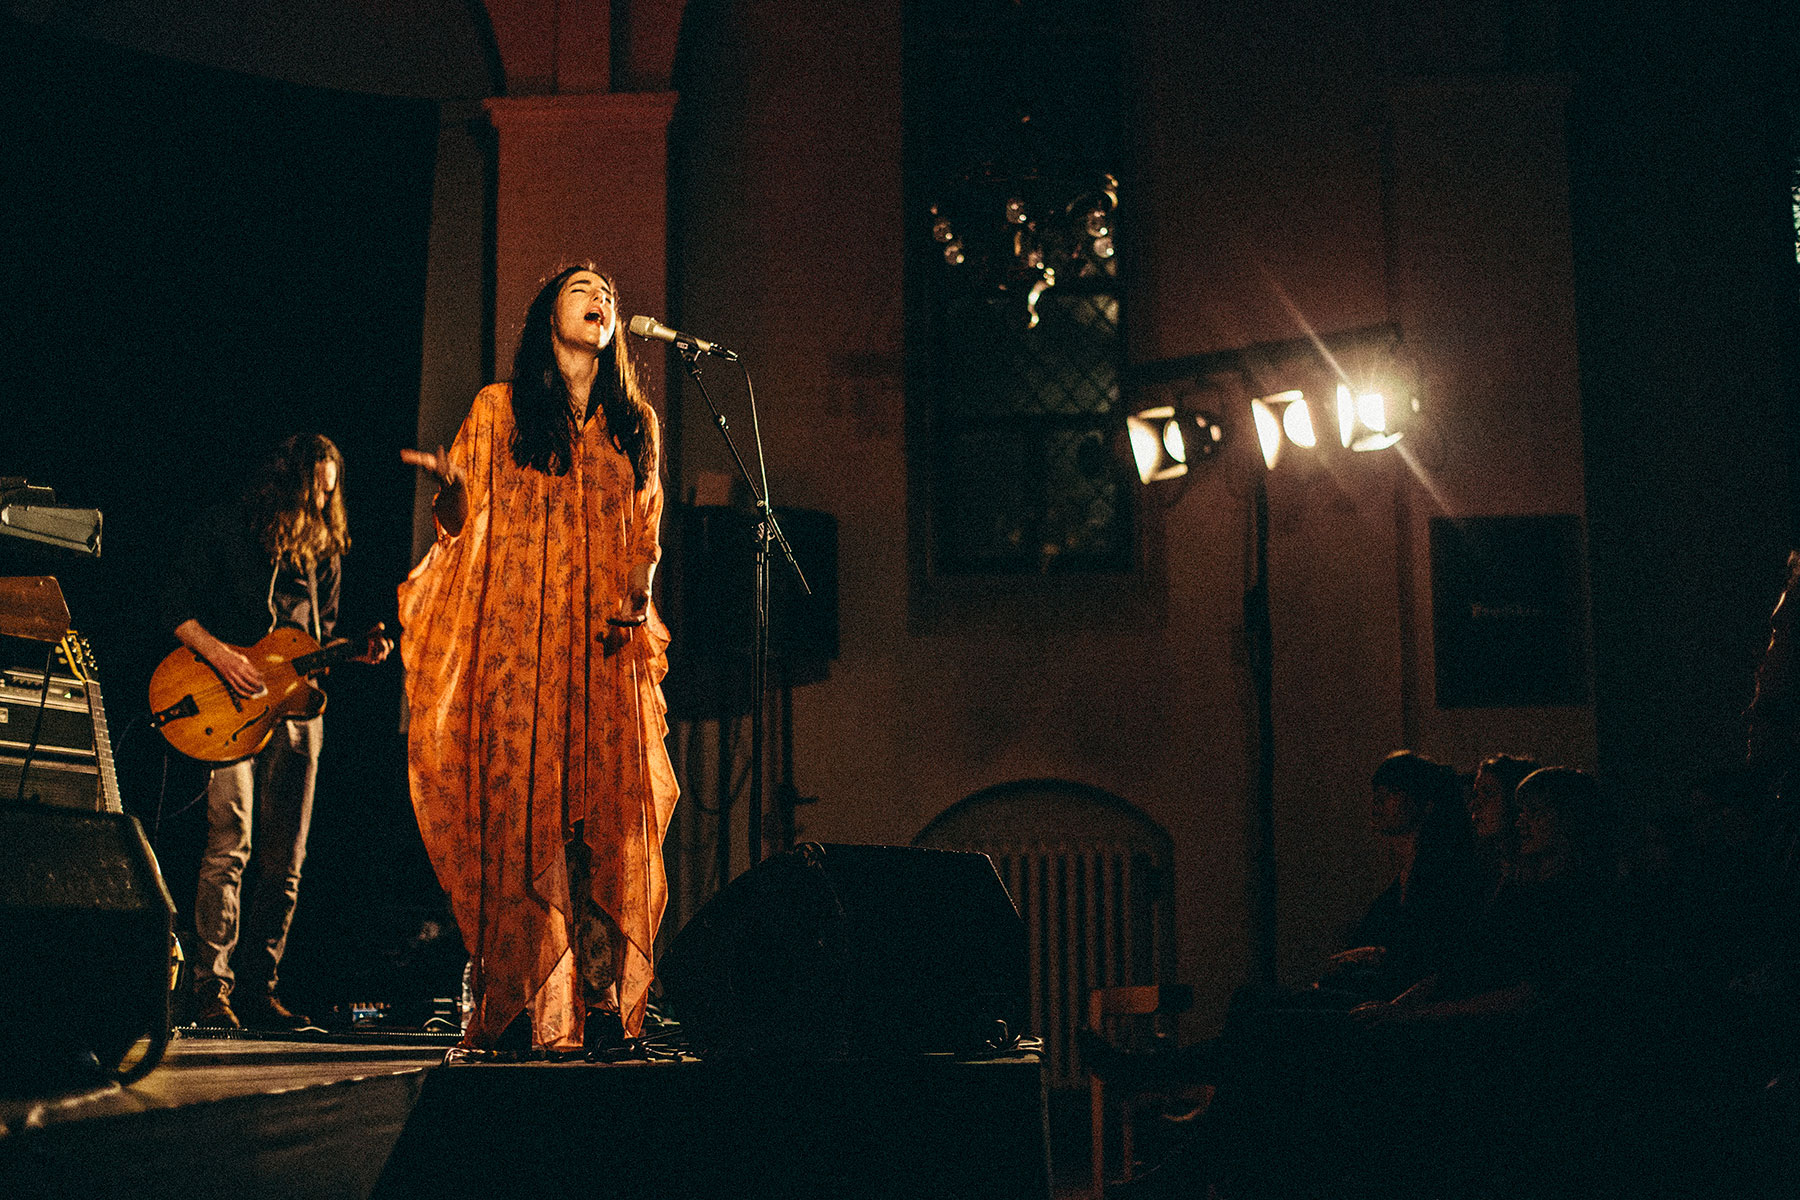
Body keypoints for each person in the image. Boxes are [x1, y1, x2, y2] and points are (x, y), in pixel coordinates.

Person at [398, 263, 678, 1054]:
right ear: (545, 315)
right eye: (581, 288)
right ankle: (520, 1010)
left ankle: (598, 1009)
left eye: (610, 294)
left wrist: (638, 588)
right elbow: (459, 524)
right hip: (524, 651)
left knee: (608, 828)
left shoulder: (635, 424)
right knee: (526, 827)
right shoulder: (500, 411)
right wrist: (450, 490)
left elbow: (646, 531)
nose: (602, 298)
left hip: (603, 648)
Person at [160, 433, 391, 1030]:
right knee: (229, 842)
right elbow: (175, 605)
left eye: (328, 495)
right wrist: (223, 657)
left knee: (285, 860)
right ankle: (211, 988)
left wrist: (355, 653)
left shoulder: (324, 557)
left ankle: (261, 988)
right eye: (312, 492)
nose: (319, 505)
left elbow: (319, 640)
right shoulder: (230, 529)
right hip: (230, 707)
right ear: (287, 484)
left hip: (295, 716)